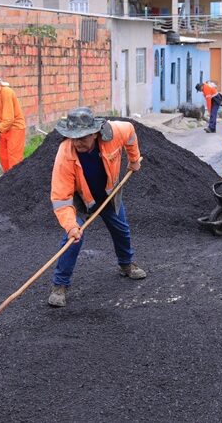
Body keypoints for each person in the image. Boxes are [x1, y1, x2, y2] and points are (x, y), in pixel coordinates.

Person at [48, 107, 146, 307]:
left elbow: (130, 131)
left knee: (121, 230)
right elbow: (61, 197)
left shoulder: (114, 133)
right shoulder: (65, 154)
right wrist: (71, 226)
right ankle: (60, 285)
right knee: (72, 239)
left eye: (82, 137)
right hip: (81, 199)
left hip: (108, 193)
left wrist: (134, 160)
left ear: (94, 132)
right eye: (73, 137)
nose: (77, 142)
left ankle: (126, 265)